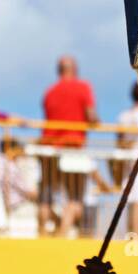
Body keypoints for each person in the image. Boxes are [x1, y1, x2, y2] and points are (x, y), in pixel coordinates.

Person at [39, 55, 98, 236]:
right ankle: (62, 235)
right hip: (73, 147)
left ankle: (42, 232)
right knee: (75, 198)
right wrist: (95, 122)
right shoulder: (83, 87)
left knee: (46, 197)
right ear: (74, 69)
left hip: (49, 148)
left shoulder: (49, 92)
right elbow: (91, 116)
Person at [116, 81, 138, 238]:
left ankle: (132, 239)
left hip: (129, 158)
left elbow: (120, 142)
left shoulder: (124, 116)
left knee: (132, 198)